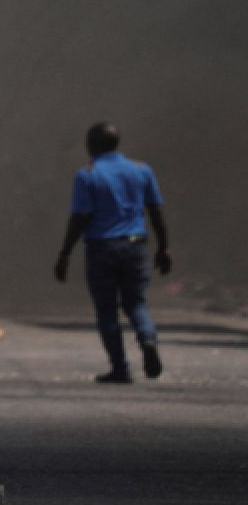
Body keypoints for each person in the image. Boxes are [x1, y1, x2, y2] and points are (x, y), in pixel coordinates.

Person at [55, 122, 171, 384]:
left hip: (101, 246)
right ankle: (148, 340)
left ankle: (120, 368)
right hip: (135, 242)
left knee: (107, 310)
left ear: (90, 145)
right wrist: (164, 247)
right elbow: (156, 212)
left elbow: (81, 217)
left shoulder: (88, 175)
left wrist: (65, 253)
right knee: (136, 303)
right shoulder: (142, 170)